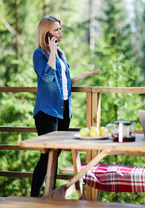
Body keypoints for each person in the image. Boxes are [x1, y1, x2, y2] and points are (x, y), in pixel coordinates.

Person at [31, 15, 100, 197]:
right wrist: (52, 52)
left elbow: (63, 81)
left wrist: (82, 76)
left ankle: (48, 195)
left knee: (56, 156)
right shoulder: (39, 54)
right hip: (47, 111)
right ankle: (34, 196)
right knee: (47, 156)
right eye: (56, 30)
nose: (60, 33)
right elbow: (46, 77)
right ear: (46, 33)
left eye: (60, 29)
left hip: (63, 111)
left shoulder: (61, 53)